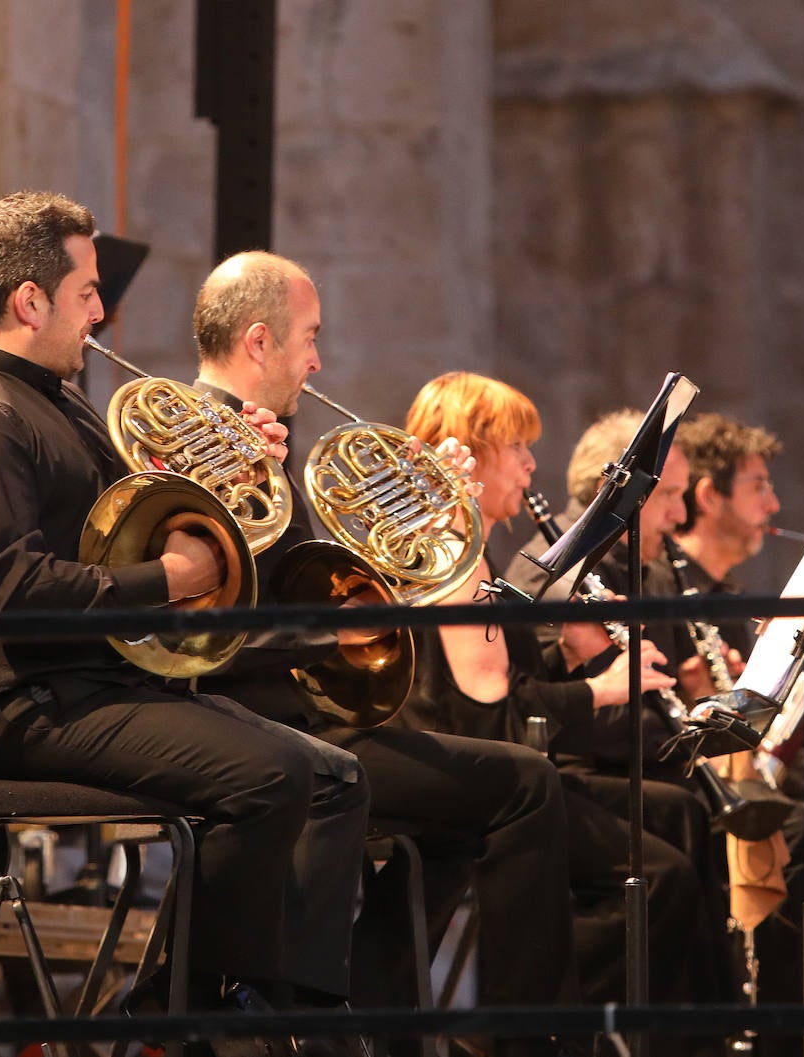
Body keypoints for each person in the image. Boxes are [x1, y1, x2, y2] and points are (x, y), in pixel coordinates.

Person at [0, 192, 369, 1015]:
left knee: (333, 776)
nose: (101, 312)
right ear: (29, 301)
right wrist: (173, 581)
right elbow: (14, 596)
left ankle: (283, 1009)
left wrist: (228, 468)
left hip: (94, 684)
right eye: (87, 292)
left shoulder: (50, 398)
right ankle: (184, 1013)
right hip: (24, 707)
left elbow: (131, 513)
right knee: (275, 772)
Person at [188, 251, 582, 1051]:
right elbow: (231, 627)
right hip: (268, 725)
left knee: (459, 818)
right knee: (526, 785)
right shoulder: (205, 445)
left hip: (307, 713)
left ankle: (379, 1022)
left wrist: (426, 516)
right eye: (309, 338)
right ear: (259, 343)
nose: (318, 360)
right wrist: (367, 605)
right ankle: (515, 1042)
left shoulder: (256, 439)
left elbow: (310, 583)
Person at [504, 409, 804, 1028]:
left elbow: (660, 695)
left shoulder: (641, 570)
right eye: (669, 496)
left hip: (643, 762)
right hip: (581, 769)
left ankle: (776, 1027)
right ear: (616, 489)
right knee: (786, 841)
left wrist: (714, 706)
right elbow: (567, 717)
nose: (679, 517)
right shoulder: (556, 569)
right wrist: (666, 715)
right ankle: (729, 1026)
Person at [396, 372, 735, 1041]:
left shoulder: (478, 551)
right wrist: (602, 689)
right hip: (470, 769)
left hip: (503, 759)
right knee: (659, 876)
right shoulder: (448, 554)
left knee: (678, 816)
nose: (529, 464)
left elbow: (510, 682)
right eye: (516, 447)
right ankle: (527, 1025)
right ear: (468, 450)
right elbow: (488, 709)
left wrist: (573, 656)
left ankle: (681, 1031)